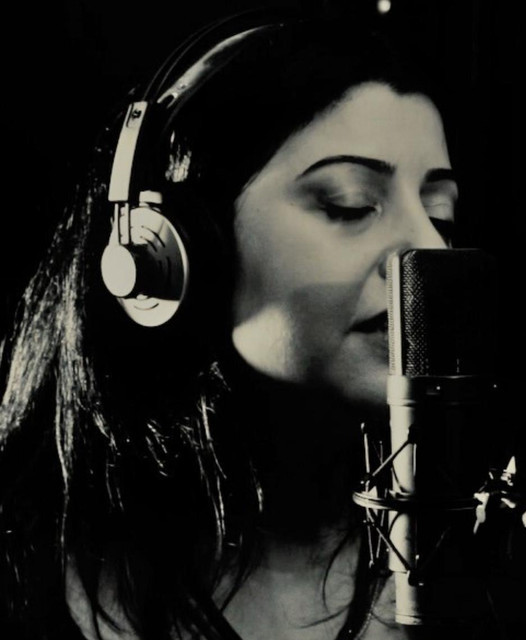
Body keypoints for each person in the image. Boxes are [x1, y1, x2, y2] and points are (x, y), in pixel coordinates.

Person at [1, 10, 473, 640]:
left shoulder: (512, 576)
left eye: (440, 215)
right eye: (350, 204)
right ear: (172, 252)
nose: (427, 252)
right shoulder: (23, 575)